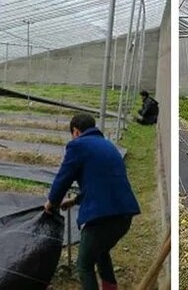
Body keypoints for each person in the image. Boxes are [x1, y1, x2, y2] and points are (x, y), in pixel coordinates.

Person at [44, 113, 140, 290]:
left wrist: (51, 202)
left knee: (84, 264)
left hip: (103, 220)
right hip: (124, 215)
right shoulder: (108, 145)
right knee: (101, 251)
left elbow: (63, 178)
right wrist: (74, 200)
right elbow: (102, 182)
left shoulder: (78, 145)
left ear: (76, 131)